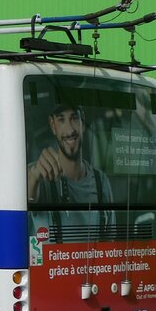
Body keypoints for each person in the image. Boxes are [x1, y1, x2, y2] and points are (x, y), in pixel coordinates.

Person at [28, 98, 113, 232]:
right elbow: (26, 200)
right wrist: (34, 178)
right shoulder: (37, 174)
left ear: (83, 122)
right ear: (53, 125)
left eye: (74, 118)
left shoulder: (101, 181)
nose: (69, 130)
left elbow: (110, 243)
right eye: (61, 120)